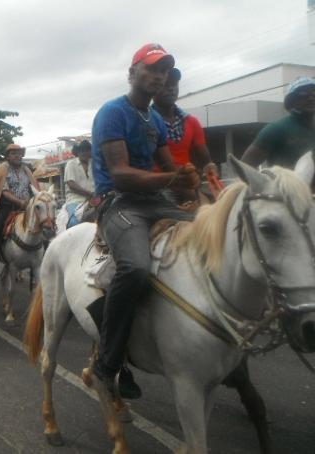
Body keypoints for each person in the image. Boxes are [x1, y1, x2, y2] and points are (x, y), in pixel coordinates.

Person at [89, 44, 200, 398]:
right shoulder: (112, 112)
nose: (158, 76)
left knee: (208, 239)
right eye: (151, 69)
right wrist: (172, 180)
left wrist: (189, 177)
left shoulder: (154, 120)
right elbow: (120, 174)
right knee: (135, 267)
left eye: (164, 71)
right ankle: (109, 361)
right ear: (132, 72)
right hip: (118, 202)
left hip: (155, 200)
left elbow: (169, 168)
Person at [0, 143, 40, 280]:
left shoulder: (26, 170)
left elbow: (34, 188)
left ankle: (43, 260)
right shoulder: (3, 170)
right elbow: (5, 192)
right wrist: (19, 202)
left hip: (27, 207)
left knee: (45, 226)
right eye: (14, 153)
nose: (17, 155)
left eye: (19, 153)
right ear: (7, 156)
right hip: (7, 207)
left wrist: (38, 199)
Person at [152, 67, 218, 179]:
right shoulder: (145, 121)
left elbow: (206, 162)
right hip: (155, 188)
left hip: (186, 183)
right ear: (153, 89)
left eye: (174, 84)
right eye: (165, 84)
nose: (171, 88)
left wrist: (210, 169)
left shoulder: (192, 122)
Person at [242, 76, 315, 169]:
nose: (311, 98)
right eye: (303, 94)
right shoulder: (277, 129)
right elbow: (245, 167)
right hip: (287, 183)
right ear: (291, 101)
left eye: (314, 93)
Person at [63, 140, 94, 227]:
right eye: (82, 150)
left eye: (87, 150)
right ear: (78, 152)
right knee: (73, 222)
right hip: (75, 200)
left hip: (94, 200)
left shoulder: (94, 164)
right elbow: (71, 184)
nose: (85, 152)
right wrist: (89, 193)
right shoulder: (71, 164)